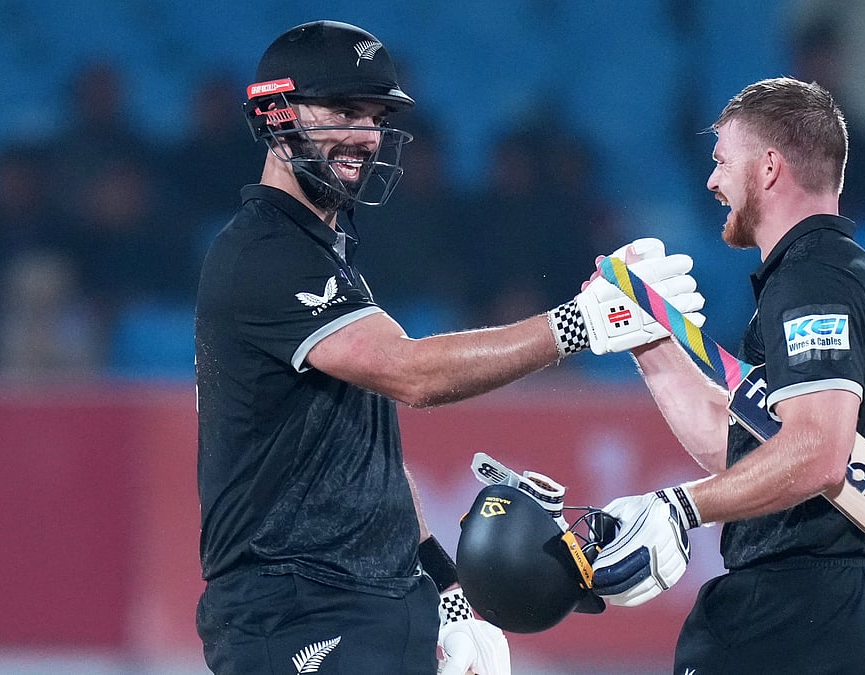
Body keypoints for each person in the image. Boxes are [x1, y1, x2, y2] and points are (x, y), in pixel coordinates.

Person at [192, 20, 703, 675]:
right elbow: (410, 374)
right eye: (344, 111)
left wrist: (448, 594)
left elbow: (366, 460)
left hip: (371, 610)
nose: (366, 136)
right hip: (299, 618)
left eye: (375, 116)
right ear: (276, 114)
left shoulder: (325, 260)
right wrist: (580, 323)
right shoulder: (264, 255)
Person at [588, 77, 865, 674]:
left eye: (721, 162)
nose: (712, 182)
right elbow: (747, 455)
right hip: (845, 607)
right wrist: (649, 341)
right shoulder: (840, 274)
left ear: (769, 168)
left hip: (795, 614)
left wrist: (678, 507)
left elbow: (818, 453)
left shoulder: (813, 282)